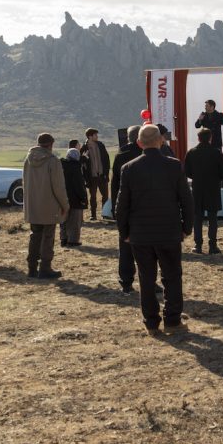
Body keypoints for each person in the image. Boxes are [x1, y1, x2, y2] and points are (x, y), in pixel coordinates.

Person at [115, 124, 194, 335]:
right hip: (169, 232)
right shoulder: (174, 166)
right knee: (172, 276)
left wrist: (125, 233)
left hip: (140, 235)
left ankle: (151, 323)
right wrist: (187, 228)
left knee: (146, 278)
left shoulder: (129, 168)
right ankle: (172, 320)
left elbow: (121, 206)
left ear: (139, 143)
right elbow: (186, 200)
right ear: (161, 141)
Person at [23, 133, 68, 279]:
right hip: (49, 206)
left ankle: (31, 268)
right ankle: (45, 268)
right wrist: (64, 205)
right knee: (48, 238)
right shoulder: (52, 161)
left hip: (33, 205)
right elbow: (58, 187)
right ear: (51, 144)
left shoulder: (28, 160)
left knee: (35, 236)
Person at [183, 127, 223, 254]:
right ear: (210, 138)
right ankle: (213, 245)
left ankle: (198, 245)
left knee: (197, 217)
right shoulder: (216, 152)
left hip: (197, 188)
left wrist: (196, 177)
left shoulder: (191, 152)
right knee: (213, 218)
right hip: (213, 188)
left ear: (198, 138)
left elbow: (187, 172)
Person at [111, 125, 142, 292]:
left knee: (125, 246)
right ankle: (148, 280)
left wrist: (115, 207)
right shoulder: (142, 155)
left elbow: (114, 184)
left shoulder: (119, 155)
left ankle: (126, 282)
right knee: (146, 247)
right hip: (141, 208)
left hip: (124, 207)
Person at [80, 128, 109, 221]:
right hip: (91, 177)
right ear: (90, 136)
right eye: (95, 135)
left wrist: (106, 173)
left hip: (102, 175)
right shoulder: (84, 148)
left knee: (105, 196)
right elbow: (81, 162)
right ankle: (93, 215)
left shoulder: (101, 145)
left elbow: (106, 159)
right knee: (92, 197)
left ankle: (105, 214)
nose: (97, 136)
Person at [61, 147, 88, 246]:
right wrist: (83, 197)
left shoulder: (61, 166)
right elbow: (79, 185)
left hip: (62, 197)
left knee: (63, 219)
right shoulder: (76, 167)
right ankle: (73, 241)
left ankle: (63, 239)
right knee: (75, 221)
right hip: (75, 199)